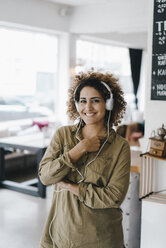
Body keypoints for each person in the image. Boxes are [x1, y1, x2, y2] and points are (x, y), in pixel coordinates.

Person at [38, 70, 131, 248]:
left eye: (95, 101)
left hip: (101, 239)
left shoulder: (120, 146)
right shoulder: (63, 135)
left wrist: (72, 187)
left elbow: (114, 197)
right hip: (62, 236)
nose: (88, 108)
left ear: (109, 104)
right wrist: (78, 150)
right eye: (83, 101)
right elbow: (45, 177)